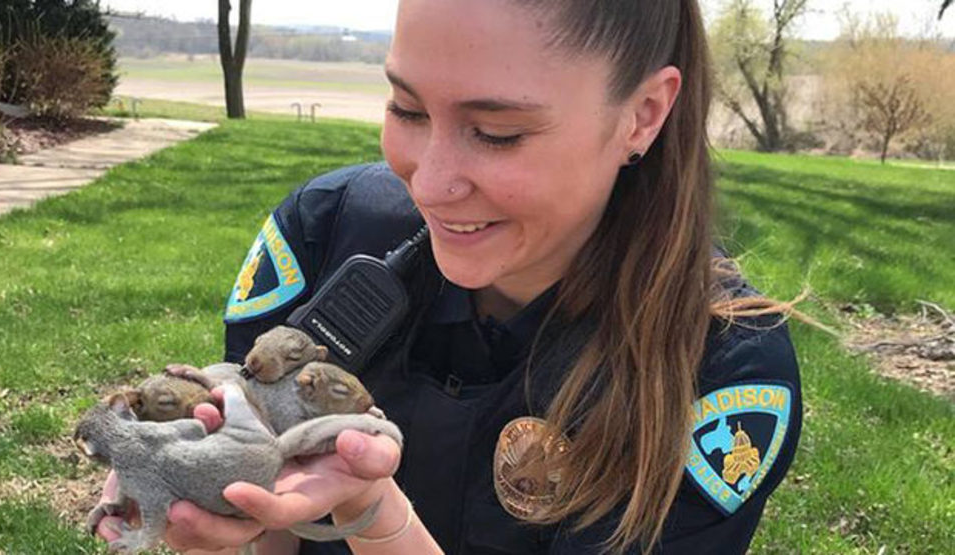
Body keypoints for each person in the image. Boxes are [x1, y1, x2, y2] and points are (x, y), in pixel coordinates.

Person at [95, 0, 802, 553]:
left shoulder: (721, 376)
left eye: (497, 133)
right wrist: (219, 502)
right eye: (406, 109)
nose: (429, 186)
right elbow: (262, 530)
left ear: (642, 116)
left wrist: (372, 512)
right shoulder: (322, 234)